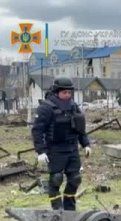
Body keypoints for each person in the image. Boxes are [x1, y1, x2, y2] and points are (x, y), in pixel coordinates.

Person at [31, 77, 91, 211]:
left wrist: (86, 144)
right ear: (56, 92)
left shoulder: (74, 106)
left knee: (75, 179)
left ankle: (70, 210)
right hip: (55, 150)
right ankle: (57, 210)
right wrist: (40, 151)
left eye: (69, 93)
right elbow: (37, 131)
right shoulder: (45, 108)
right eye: (64, 93)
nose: (67, 95)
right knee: (56, 179)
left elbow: (80, 129)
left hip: (72, 149)